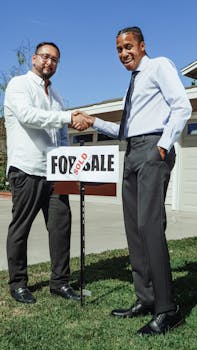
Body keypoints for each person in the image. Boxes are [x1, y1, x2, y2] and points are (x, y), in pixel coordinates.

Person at [73, 27, 192, 335]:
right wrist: (94, 122)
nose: (123, 53)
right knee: (135, 230)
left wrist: (163, 146)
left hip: (153, 148)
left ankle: (168, 310)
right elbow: (125, 129)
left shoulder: (159, 66)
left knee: (150, 226)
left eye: (128, 46)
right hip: (132, 151)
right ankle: (146, 298)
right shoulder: (131, 85)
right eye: (119, 49)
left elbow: (182, 106)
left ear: (142, 45)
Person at [4, 41, 88, 304]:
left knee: (61, 227)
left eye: (54, 60)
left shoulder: (57, 97)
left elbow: (61, 136)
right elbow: (29, 116)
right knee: (21, 228)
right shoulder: (19, 85)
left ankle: (60, 283)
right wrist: (66, 117)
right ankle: (18, 284)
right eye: (45, 57)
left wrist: (67, 163)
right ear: (34, 59)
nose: (49, 62)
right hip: (27, 169)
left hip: (55, 173)